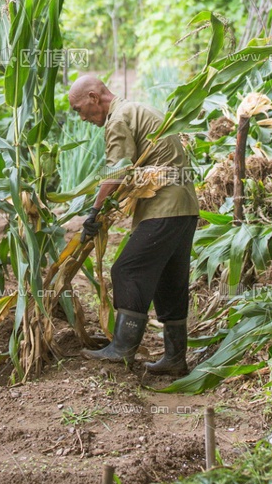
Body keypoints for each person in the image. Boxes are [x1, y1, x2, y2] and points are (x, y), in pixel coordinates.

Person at [68, 73, 198, 375]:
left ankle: (122, 349)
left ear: (93, 98)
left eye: (78, 109)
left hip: (164, 206)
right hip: (185, 205)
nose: (81, 118)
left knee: (127, 269)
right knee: (170, 280)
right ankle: (175, 359)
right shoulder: (139, 109)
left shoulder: (119, 119)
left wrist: (95, 212)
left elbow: (118, 169)